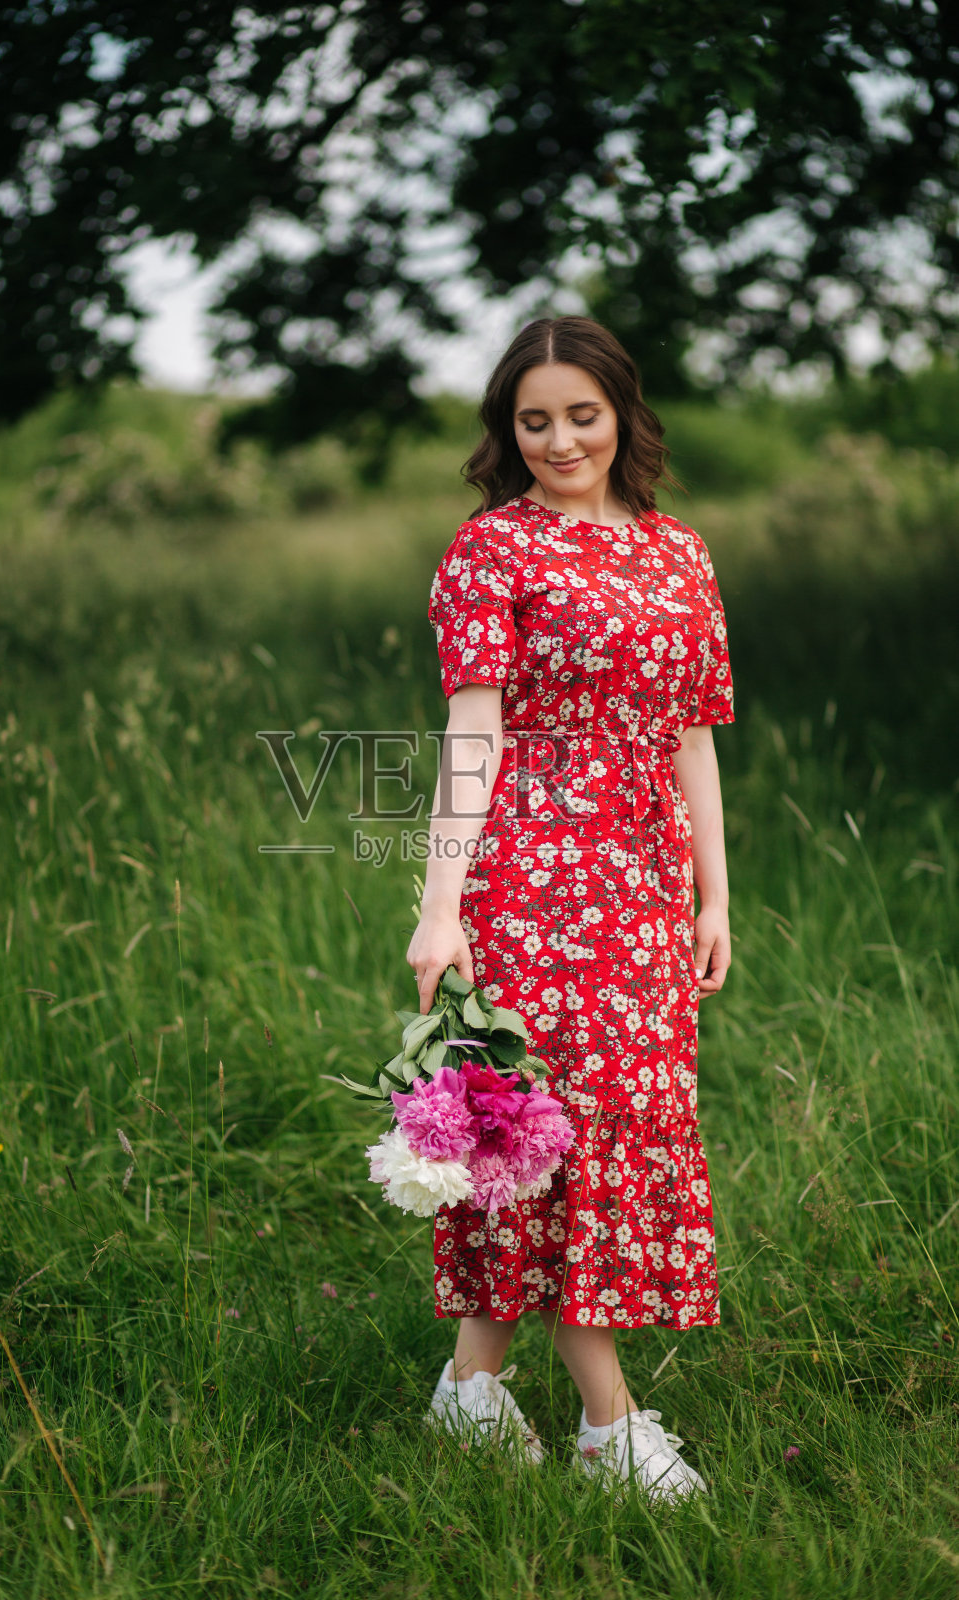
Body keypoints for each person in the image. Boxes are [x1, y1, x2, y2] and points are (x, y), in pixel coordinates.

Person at [404, 315, 735, 1503]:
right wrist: (440, 909)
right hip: (528, 887)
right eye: (531, 420)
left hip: (644, 893)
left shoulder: (679, 555)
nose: (556, 440)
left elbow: (692, 731)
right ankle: (611, 1426)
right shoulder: (489, 549)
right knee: (552, 1135)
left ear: (620, 416)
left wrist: (713, 891)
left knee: (611, 1130)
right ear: (508, 430)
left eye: (578, 415)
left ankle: (469, 1389)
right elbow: (470, 734)